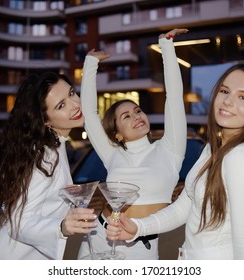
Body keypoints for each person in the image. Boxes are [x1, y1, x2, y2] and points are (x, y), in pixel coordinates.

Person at [106, 63, 244, 260]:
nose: (228, 101)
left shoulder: (242, 155)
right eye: (224, 91)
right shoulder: (214, 148)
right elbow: (184, 208)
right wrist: (138, 228)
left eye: (243, 97)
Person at [78, 28, 188, 260]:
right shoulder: (112, 153)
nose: (136, 116)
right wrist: (90, 64)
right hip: (101, 235)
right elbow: (88, 112)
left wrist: (166, 47)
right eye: (126, 116)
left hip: (143, 245)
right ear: (116, 133)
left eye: (137, 110)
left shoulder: (170, 148)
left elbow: (175, 97)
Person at [0, 72, 97, 259]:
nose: (75, 104)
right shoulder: (45, 155)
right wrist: (62, 227)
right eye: (61, 105)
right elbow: (20, 222)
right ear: (46, 120)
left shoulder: (51, 144)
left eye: (72, 93)